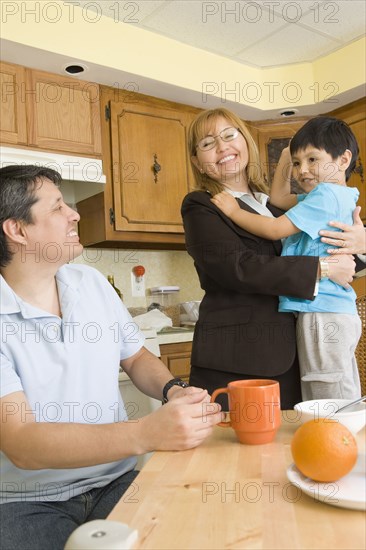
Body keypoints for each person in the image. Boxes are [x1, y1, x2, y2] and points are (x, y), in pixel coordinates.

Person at [0, 165, 223, 550]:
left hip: (117, 481)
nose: (74, 214)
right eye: (57, 207)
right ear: (17, 230)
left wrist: (173, 389)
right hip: (24, 501)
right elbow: (22, 442)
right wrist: (145, 433)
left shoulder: (91, 284)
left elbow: (135, 357)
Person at [181, 108, 365, 410]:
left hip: (293, 353)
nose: (223, 147)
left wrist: (361, 243)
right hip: (239, 359)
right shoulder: (203, 204)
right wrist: (324, 268)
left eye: (230, 135)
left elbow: (327, 249)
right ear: (197, 162)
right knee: (234, 455)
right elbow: (238, 269)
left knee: (298, 446)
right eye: (207, 143)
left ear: (246, 143)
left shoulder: (273, 205)